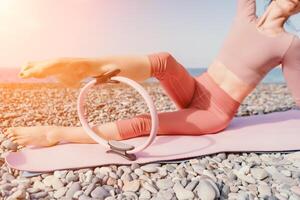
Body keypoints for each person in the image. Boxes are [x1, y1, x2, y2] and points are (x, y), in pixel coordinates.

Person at [3, 0, 300, 147]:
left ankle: (57, 134)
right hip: (197, 86)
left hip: (213, 112)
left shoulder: (290, 43)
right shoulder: (245, 14)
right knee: (164, 60)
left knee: (145, 122)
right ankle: (83, 65)